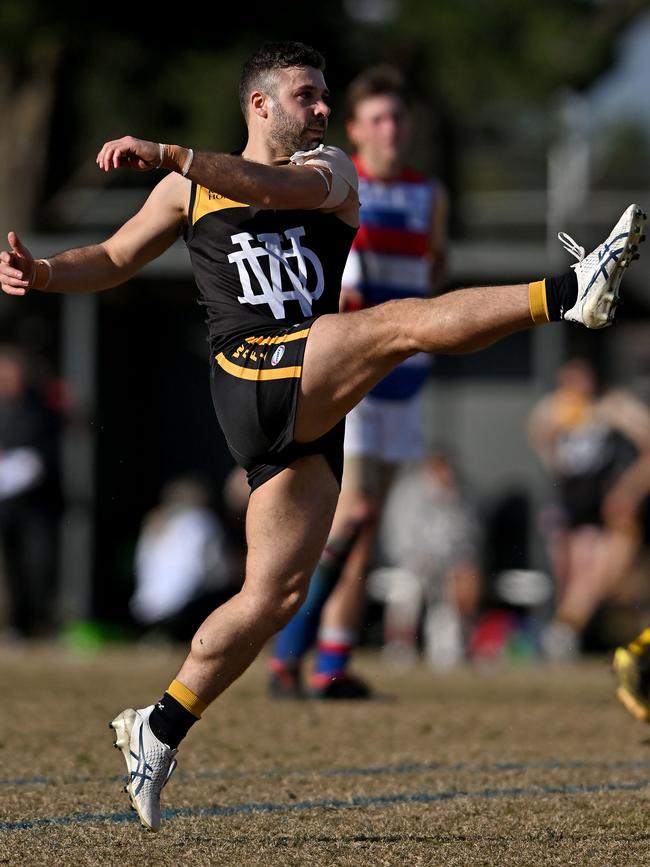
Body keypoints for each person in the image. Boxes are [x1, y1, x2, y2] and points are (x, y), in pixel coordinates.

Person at [0, 40, 644, 832]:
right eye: (307, 96)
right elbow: (114, 255)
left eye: (325, 96)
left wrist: (176, 152)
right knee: (395, 325)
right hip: (251, 371)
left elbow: (268, 185)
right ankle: (571, 290)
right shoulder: (185, 188)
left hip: (306, 391)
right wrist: (49, 273)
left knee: (275, 594)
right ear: (259, 104)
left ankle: (158, 725)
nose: (323, 110)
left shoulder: (330, 168)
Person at [269, 64, 448, 698]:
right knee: (352, 513)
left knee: (366, 524)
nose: (391, 128)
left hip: (407, 372)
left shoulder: (429, 193)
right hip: (359, 365)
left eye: (398, 117)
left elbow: (434, 266)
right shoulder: (341, 185)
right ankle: (286, 654)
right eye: (377, 119)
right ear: (356, 130)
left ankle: (330, 664)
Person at [527, 359, 650, 657]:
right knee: (574, 575)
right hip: (573, 508)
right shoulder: (553, 409)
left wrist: (627, 489)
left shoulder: (614, 406)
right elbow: (540, 438)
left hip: (609, 509)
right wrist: (552, 441)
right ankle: (567, 632)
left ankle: (565, 631)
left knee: (598, 571)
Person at [0, 346, 62, 640]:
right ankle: (19, 624)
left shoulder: (40, 409)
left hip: (38, 504)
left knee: (40, 562)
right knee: (12, 564)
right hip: (7, 505)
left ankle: (44, 621)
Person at [130, 476, 238, 643]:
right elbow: (217, 571)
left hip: (145, 610)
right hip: (184, 610)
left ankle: (160, 634)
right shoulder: (202, 520)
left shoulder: (154, 522)